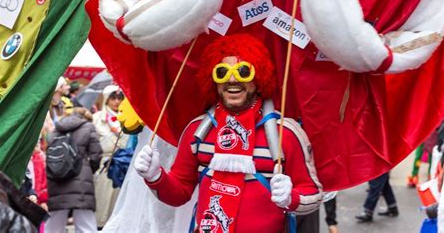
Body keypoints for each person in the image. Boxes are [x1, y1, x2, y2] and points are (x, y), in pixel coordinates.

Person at [135, 34, 323, 232]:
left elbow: (313, 194)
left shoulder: (285, 132)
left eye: (243, 71)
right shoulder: (196, 131)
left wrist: (290, 198)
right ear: (213, 79)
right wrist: (155, 176)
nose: (232, 79)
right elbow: (179, 193)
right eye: (222, 72)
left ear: (259, 78)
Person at [45, 107, 103, 232]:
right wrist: (88, 170)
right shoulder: (88, 127)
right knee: (85, 224)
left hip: (57, 178)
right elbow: (96, 155)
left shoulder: (56, 129)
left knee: (54, 224)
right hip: (82, 180)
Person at [93, 85, 127, 228]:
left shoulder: (125, 118)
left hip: (121, 163)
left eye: (119, 98)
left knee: (117, 200)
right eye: (113, 98)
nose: (116, 101)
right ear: (107, 99)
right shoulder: (97, 118)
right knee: (101, 199)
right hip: (102, 164)